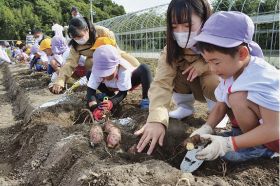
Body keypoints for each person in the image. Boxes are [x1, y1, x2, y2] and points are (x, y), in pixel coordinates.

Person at [135, 0, 228, 155]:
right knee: (174, 73)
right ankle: (185, 107)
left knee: (214, 76)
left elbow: (230, 65)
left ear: (204, 20)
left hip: (210, 87)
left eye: (187, 25)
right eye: (174, 27)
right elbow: (161, 83)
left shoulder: (218, 41)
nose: (181, 32)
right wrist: (156, 119)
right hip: (190, 85)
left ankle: (218, 111)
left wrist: (203, 65)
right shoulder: (171, 50)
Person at [190, 11, 279, 161]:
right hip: (260, 130)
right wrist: (207, 127)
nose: (212, 69)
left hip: (274, 138)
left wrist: (228, 144)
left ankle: (262, 149)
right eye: (208, 62)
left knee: (237, 97)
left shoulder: (263, 78)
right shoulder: (232, 71)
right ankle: (241, 137)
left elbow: (274, 128)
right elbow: (220, 105)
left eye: (216, 62)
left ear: (242, 53)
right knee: (231, 96)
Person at [49, 17, 140, 94]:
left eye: (80, 36)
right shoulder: (75, 46)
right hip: (94, 60)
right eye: (74, 38)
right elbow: (70, 63)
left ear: (87, 29)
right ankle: (104, 87)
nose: (78, 40)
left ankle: (125, 83)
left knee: (135, 64)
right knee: (90, 62)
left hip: (112, 54)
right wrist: (60, 80)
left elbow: (113, 51)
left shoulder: (102, 32)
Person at [87, 45, 152, 120]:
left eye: (107, 73)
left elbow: (123, 93)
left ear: (117, 66)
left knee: (144, 68)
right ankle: (109, 94)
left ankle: (146, 99)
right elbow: (90, 91)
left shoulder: (123, 70)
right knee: (89, 73)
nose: (104, 77)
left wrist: (111, 102)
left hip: (129, 82)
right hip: (110, 87)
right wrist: (94, 107)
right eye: (101, 74)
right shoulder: (97, 70)